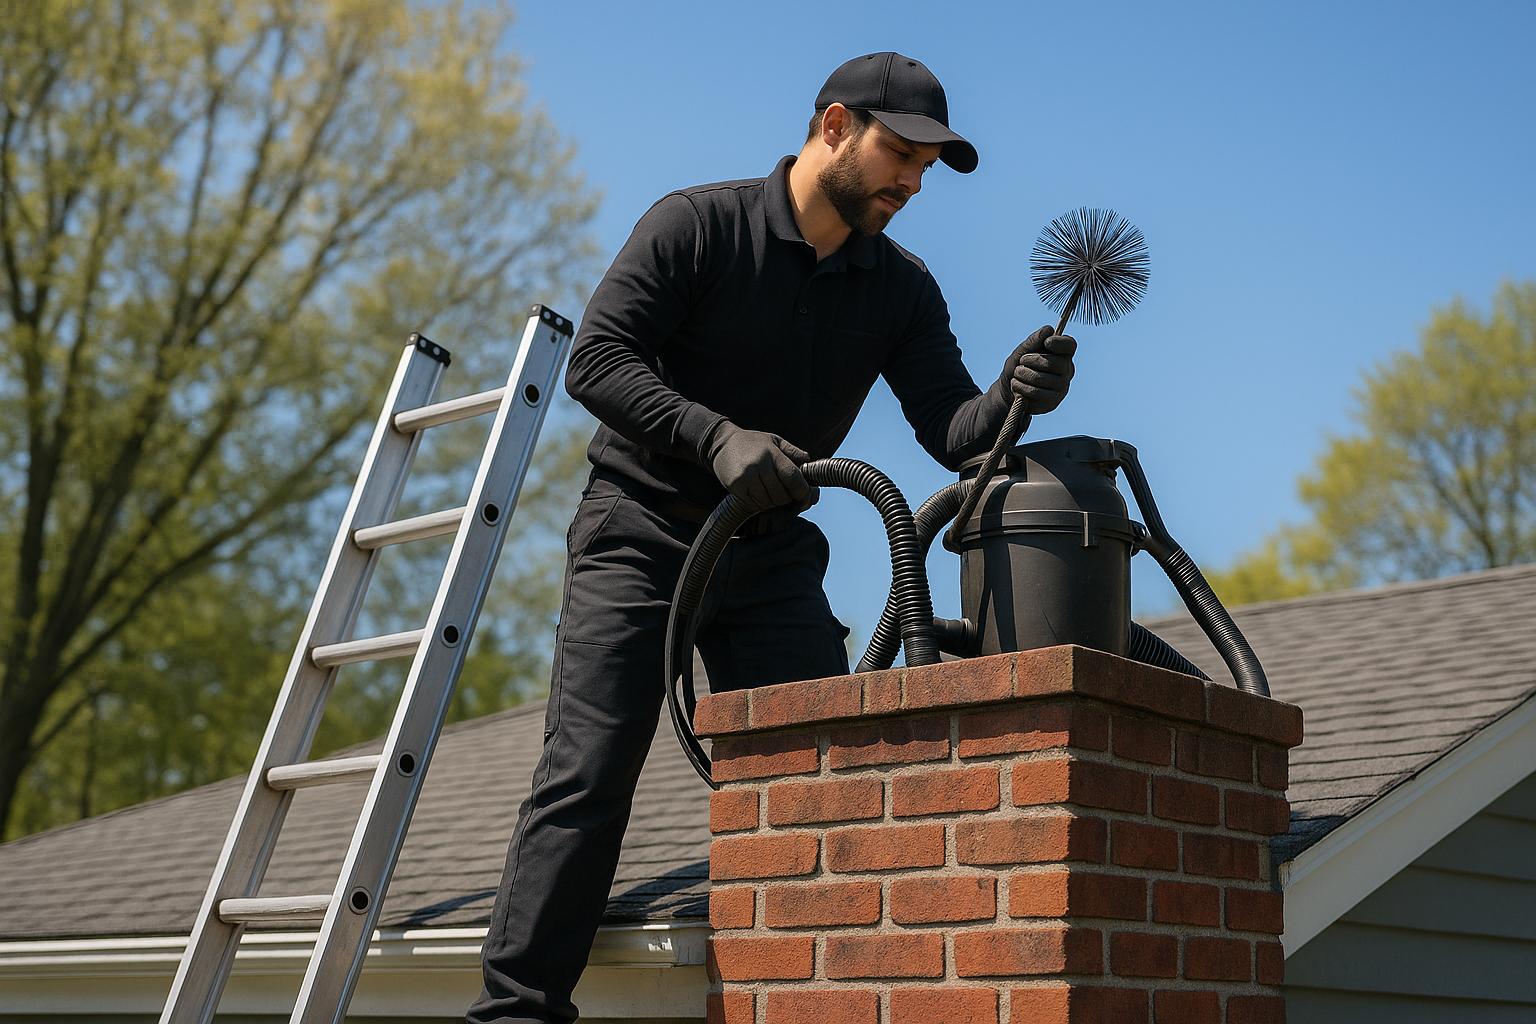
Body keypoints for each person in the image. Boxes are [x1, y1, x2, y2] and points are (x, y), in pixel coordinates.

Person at [466, 52, 1077, 1024]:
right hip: (640, 533)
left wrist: (1013, 394)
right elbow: (598, 359)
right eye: (901, 154)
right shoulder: (696, 224)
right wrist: (715, 437)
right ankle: (516, 1013)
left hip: (772, 554)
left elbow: (952, 428)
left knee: (822, 777)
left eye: (927, 168)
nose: (914, 183)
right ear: (834, 125)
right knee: (590, 772)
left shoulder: (902, 289)